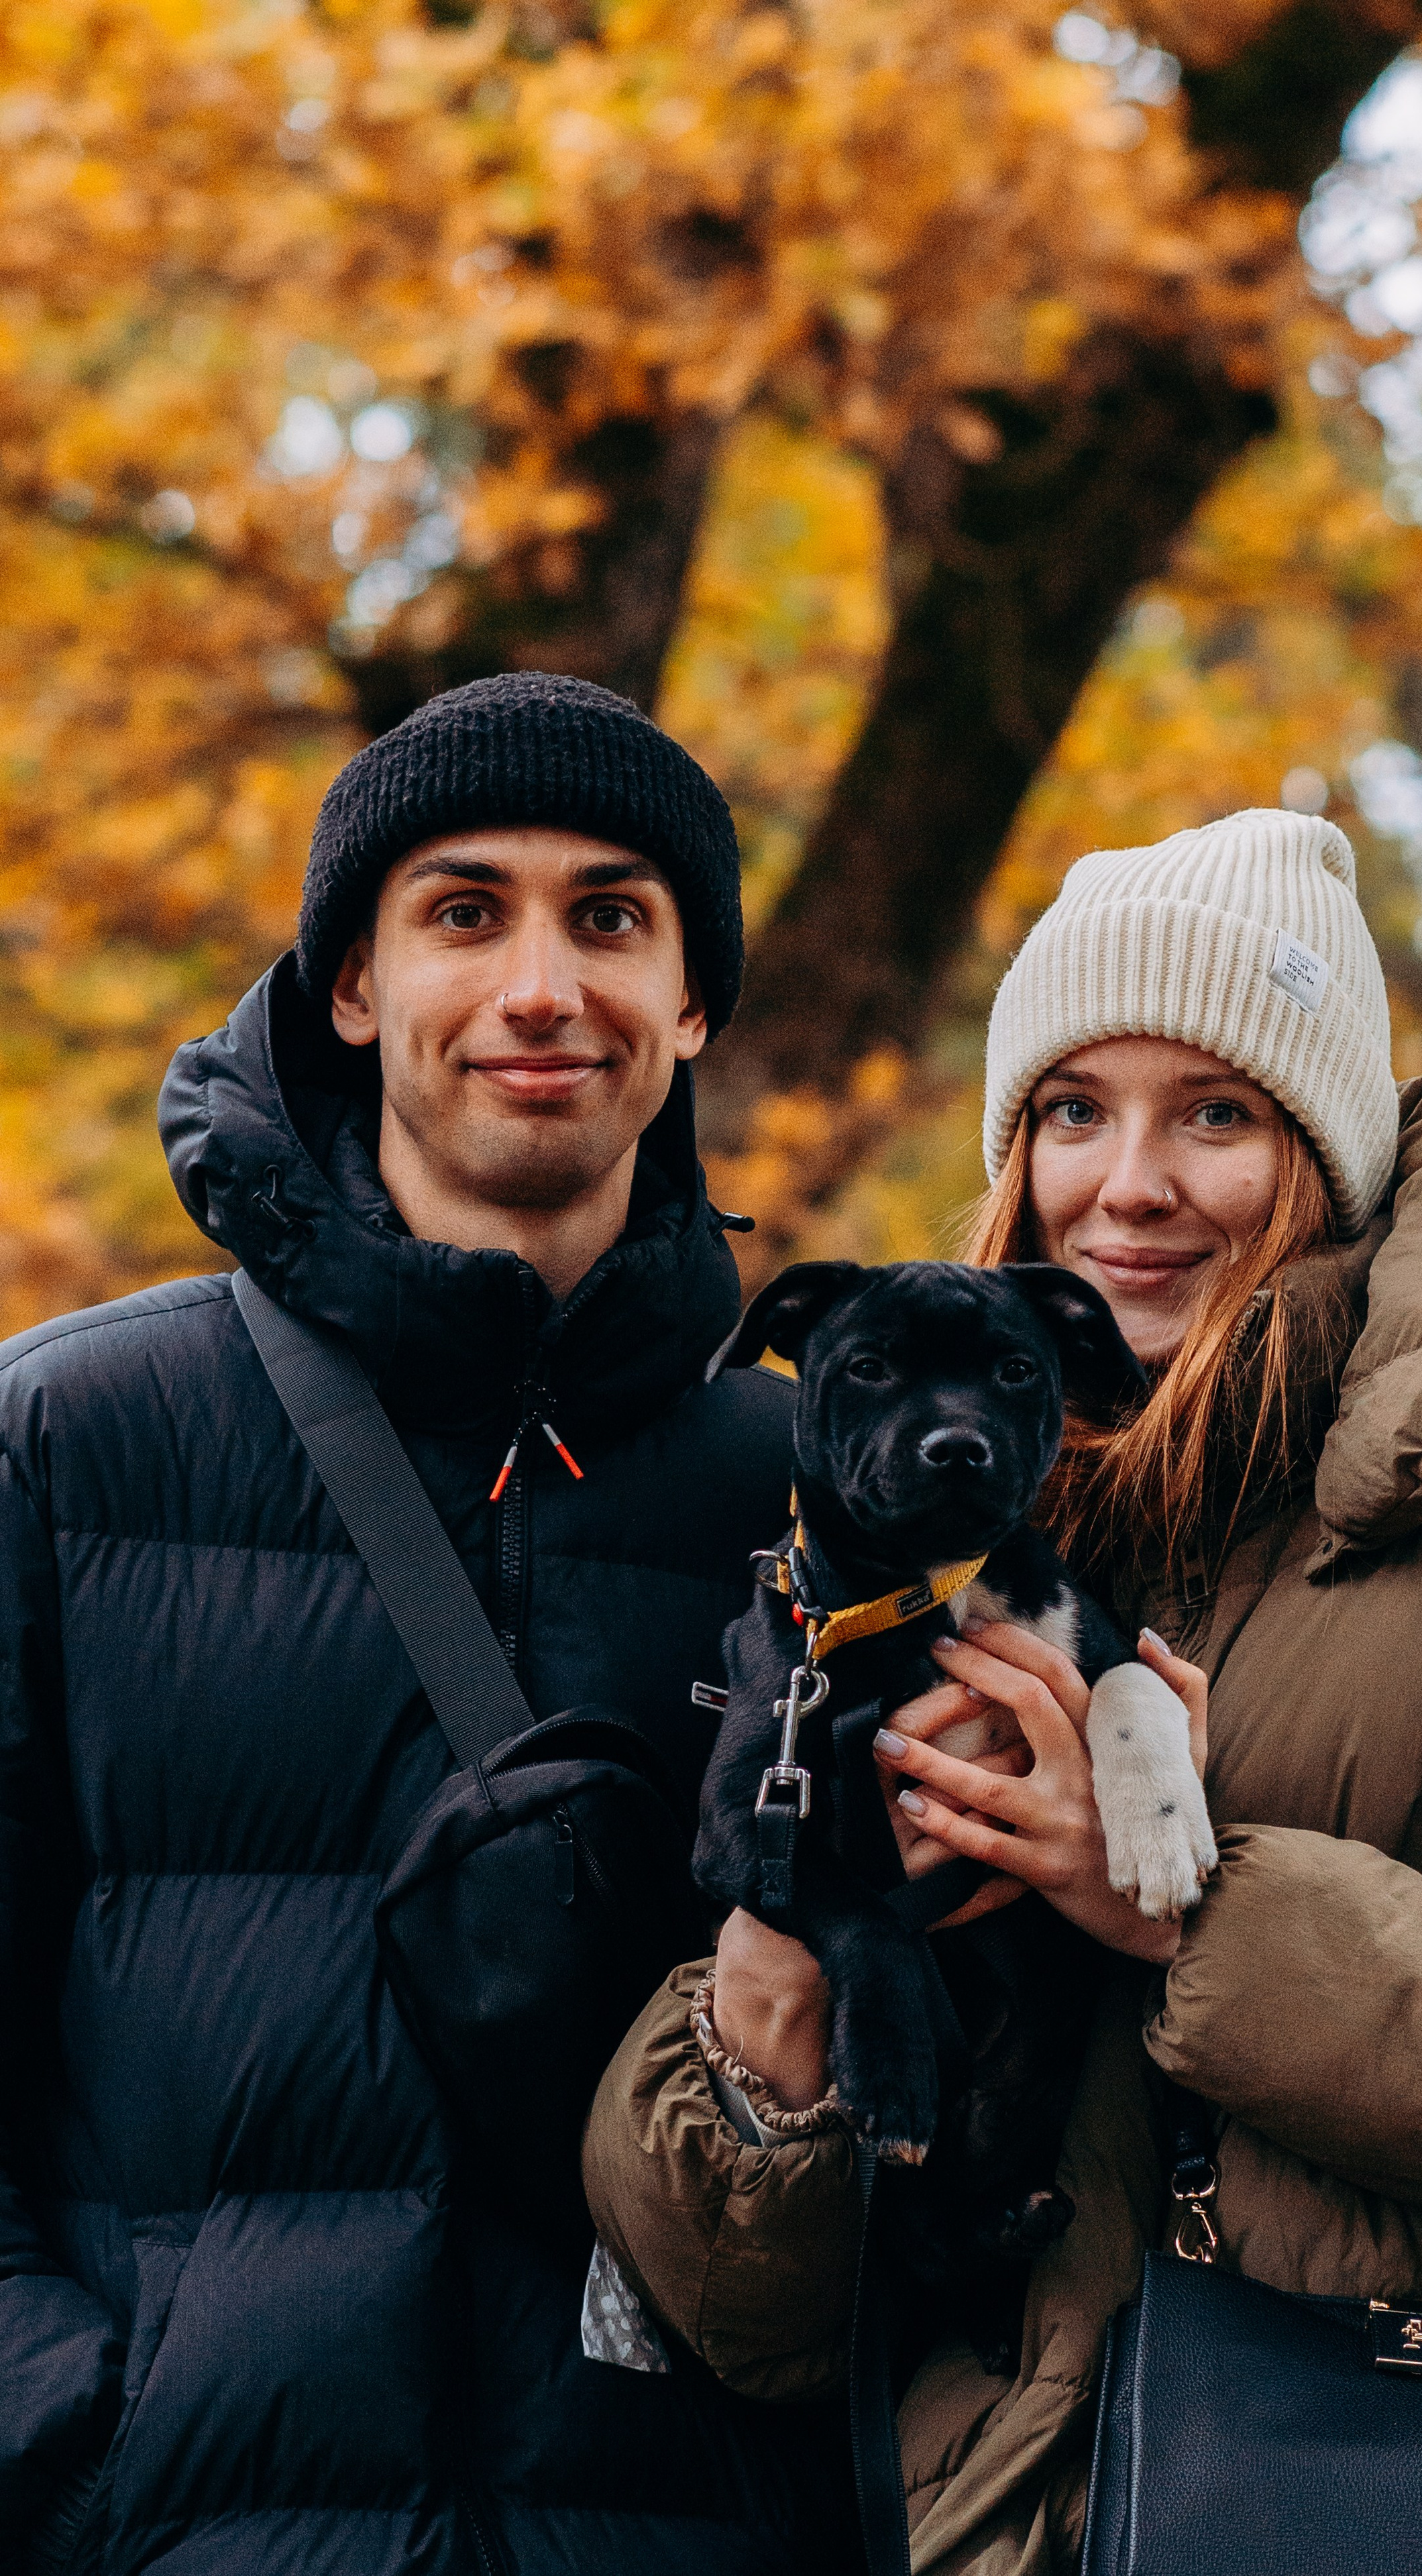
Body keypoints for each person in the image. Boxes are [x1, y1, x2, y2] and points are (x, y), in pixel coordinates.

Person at [582, 808, 1422, 2575]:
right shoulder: (923, 1532)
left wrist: (1189, 1910)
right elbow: (749, 2319)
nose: (1130, 1183)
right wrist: (773, 1990)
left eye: (1217, 1114)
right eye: (1072, 1110)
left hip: (1396, 2499)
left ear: (1326, 1164)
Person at [0, 675, 809, 2576]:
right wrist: (74, 2448)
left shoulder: (823, 1493)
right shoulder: (68, 1444)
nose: (543, 985)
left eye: (612, 918)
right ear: (353, 987)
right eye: (465, 911)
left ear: (691, 1006)